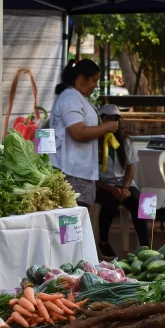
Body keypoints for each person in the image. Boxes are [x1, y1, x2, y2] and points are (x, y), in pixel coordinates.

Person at [48, 59, 118, 206]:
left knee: (78, 220)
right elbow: (77, 132)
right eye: (94, 80)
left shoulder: (75, 97)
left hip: (78, 170)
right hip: (71, 172)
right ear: (81, 78)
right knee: (73, 221)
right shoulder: (70, 98)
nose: (95, 86)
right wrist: (106, 127)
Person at [94, 104, 149, 258]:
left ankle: (145, 245)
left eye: (116, 119)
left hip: (124, 183)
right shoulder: (94, 143)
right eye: (109, 118)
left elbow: (130, 169)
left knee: (141, 202)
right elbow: (92, 176)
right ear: (101, 119)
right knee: (109, 203)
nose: (114, 122)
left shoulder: (125, 141)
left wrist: (125, 188)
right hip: (103, 185)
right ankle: (103, 241)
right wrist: (112, 189)